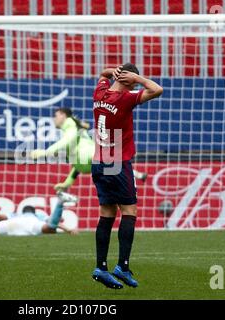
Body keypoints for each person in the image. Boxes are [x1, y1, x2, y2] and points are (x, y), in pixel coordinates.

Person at [91, 63, 163, 289]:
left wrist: (112, 72)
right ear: (130, 80)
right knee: (129, 211)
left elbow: (103, 74)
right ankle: (122, 265)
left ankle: (101, 268)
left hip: (99, 162)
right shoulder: (125, 100)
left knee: (107, 213)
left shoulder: (100, 92)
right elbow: (157, 89)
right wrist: (138, 79)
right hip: (118, 163)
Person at [31, 107, 147, 192]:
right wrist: (67, 183)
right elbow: (77, 165)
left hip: (90, 157)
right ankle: (135, 175)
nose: (54, 119)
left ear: (63, 115)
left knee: (111, 168)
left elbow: (69, 139)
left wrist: (46, 152)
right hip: (87, 162)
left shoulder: (69, 124)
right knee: (112, 169)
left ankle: (133, 175)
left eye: (55, 116)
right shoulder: (75, 134)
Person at [0, 192, 78, 236]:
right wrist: (68, 229)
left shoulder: (14, 214)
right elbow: (52, 223)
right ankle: (60, 202)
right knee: (51, 228)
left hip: (11, 224)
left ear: (22, 211)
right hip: (32, 225)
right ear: (33, 212)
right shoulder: (38, 216)